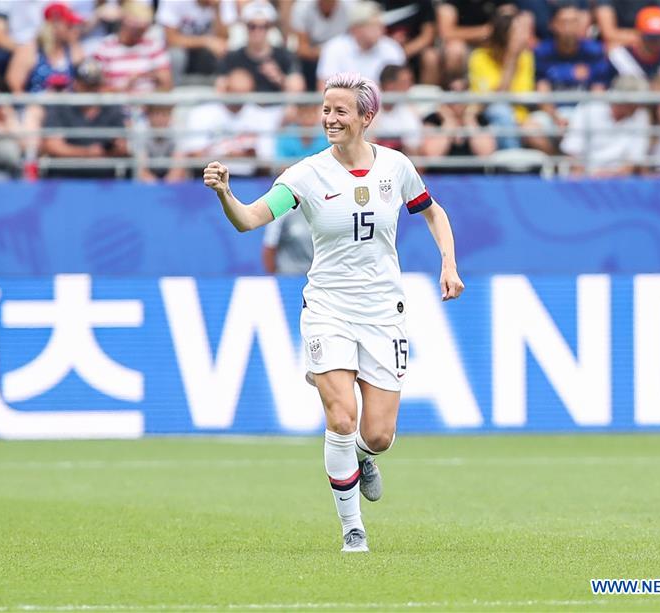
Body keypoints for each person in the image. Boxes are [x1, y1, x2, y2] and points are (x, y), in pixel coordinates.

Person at [202, 71, 465, 553]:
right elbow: (249, 220)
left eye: (340, 111)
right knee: (341, 417)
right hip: (327, 306)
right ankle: (352, 530)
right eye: (325, 109)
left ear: (367, 117)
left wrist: (448, 262)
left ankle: (364, 458)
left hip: (384, 310)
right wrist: (225, 194)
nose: (329, 118)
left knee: (379, 434)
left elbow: (433, 212)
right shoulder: (305, 175)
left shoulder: (396, 167)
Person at [522, 1, 610, 154]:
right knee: (529, 129)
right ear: (553, 25)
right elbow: (543, 93)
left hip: (584, 113)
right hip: (554, 113)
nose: (569, 27)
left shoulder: (594, 52)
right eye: (564, 22)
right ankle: (557, 159)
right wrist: (556, 117)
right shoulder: (542, 52)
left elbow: (598, 93)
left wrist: (577, 121)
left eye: (574, 21)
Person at [40, 58, 128, 178]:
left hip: (104, 179)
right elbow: (53, 146)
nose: (92, 91)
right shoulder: (60, 106)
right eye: (87, 86)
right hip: (65, 178)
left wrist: (114, 148)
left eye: (96, 86)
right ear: (76, 84)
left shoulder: (112, 108)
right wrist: (89, 152)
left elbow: (122, 145)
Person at [468, 2, 534, 150]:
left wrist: (521, 122)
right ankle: (513, 164)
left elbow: (524, 95)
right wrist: (511, 58)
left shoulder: (525, 57)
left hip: (523, 117)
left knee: (540, 125)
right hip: (490, 119)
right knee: (500, 111)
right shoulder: (479, 57)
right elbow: (493, 99)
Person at [560, 74, 651, 176]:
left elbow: (633, 161)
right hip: (585, 179)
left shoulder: (641, 115)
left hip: (621, 181)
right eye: (635, 104)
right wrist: (588, 177)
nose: (638, 107)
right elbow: (573, 152)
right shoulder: (588, 108)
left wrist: (610, 175)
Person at [215, 1, 304, 93]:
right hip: (244, 106)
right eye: (252, 26)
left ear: (270, 28)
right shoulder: (232, 57)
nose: (257, 31)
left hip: (276, 106)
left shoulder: (285, 56)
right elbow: (220, 88)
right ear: (245, 27)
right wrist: (236, 83)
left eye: (263, 26)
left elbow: (298, 88)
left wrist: (279, 78)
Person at [316, 0, 405, 88]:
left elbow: (401, 85)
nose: (381, 30)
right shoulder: (334, 48)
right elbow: (325, 88)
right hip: (344, 101)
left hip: (385, 102)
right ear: (356, 29)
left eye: (380, 25)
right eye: (374, 26)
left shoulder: (392, 48)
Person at [91, 1, 172, 93]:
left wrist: (144, 75)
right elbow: (98, 89)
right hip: (116, 103)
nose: (139, 33)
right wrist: (123, 87)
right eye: (136, 28)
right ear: (125, 22)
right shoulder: (105, 48)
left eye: (143, 29)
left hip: (149, 102)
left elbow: (167, 83)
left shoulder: (154, 46)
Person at [606, 6, 660, 90]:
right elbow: (606, 91)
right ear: (639, 36)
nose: (655, 43)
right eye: (650, 38)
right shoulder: (619, 57)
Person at [292, 0, 350, 91]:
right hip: (312, 58)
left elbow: (354, 42)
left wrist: (334, 53)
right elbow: (302, 49)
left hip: (342, 55)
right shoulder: (302, 7)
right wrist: (327, 52)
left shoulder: (350, 6)